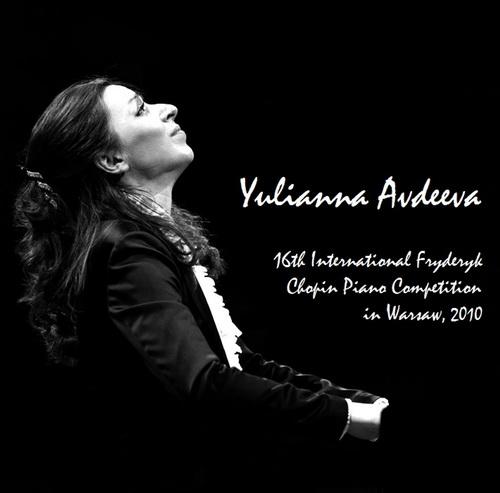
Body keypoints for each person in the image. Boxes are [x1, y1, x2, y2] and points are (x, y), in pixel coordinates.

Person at [14, 77, 389, 490]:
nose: (169, 108)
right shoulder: (127, 248)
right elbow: (204, 383)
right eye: (141, 109)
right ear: (111, 159)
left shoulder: (140, 237)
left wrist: (362, 403)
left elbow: (240, 363)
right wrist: (352, 418)